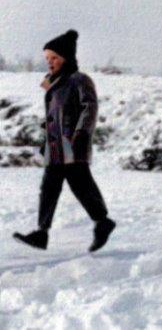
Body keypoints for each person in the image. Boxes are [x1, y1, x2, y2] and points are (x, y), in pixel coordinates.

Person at [13, 30, 117, 253]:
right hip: (55, 146)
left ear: (67, 58)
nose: (50, 63)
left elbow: (90, 109)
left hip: (73, 145)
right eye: (48, 59)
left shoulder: (79, 80)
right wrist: (46, 138)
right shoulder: (54, 83)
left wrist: (81, 135)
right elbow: (55, 116)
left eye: (55, 58)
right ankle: (42, 233)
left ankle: (103, 221)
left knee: (81, 185)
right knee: (49, 187)